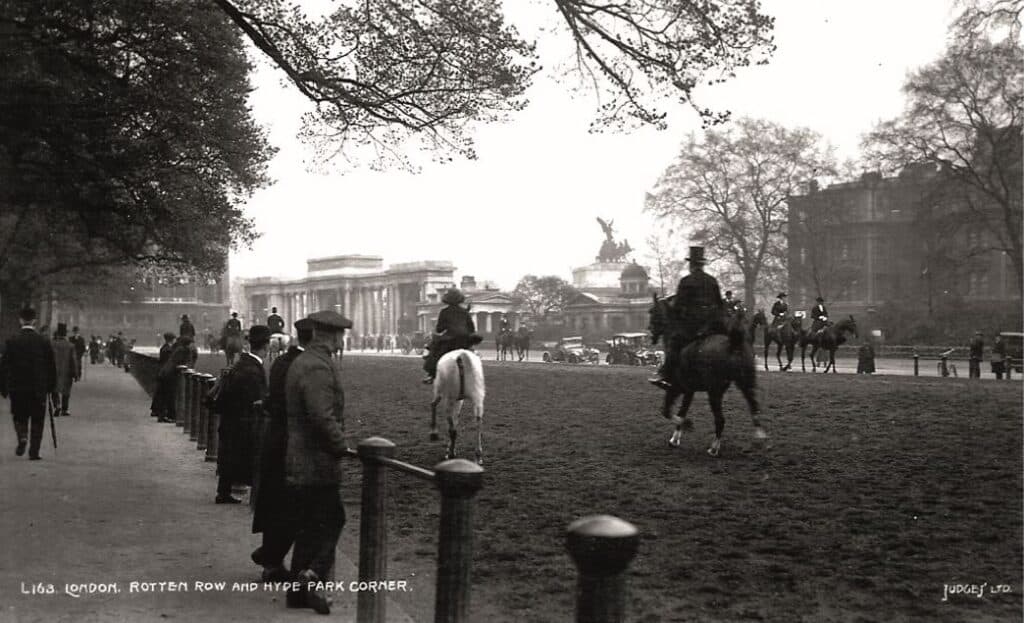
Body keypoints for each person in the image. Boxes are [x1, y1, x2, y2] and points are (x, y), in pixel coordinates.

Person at [283, 310, 353, 614]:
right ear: (334, 336)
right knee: (332, 518)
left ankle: (297, 593)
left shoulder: (306, 361)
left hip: (301, 456)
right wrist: (341, 446)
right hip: (315, 458)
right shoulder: (318, 367)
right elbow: (321, 416)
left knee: (310, 523)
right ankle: (312, 576)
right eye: (341, 336)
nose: (341, 341)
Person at [251, 318, 314, 582]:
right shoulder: (305, 366)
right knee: (296, 506)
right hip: (294, 442)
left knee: (275, 502)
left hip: (275, 439)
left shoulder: (279, 362)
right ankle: (272, 558)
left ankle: (271, 560)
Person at [648, 246, 724, 389]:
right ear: (702, 264)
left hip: (694, 324)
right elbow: (720, 304)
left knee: (675, 343)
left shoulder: (686, 281)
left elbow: (678, 307)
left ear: (691, 264)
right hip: (713, 323)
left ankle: (666, 375)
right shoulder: (712, 280)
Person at [214, 325, 271, 504]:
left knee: (230, 457)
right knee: (250, 456)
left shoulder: (242, 363)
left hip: (232, 419)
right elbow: (256, 398)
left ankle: (224, 492)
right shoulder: (253, 369)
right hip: (244, 421)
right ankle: (254, 495)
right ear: (267, 346)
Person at [0, 307, 57, 460]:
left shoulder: (12, 341)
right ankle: (34, 451)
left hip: (17, 387)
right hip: (38, 387)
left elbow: (4, 365)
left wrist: (3, 387)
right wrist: (51, 387)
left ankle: (22, 436)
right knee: (38, 419)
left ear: (20, 320)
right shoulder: (43, 341)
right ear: (34, 321)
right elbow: (51, 366)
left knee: (19, 415)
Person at [422, 288, 477, 384]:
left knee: (435, 352)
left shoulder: (444, 311)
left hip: (450, 339)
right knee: (473, 353)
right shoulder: (465, 312)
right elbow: (472, 328)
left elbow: (439, 328)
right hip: (464, 340)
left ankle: (431, 374)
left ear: (447, 300)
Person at [50, 323, 79, 416]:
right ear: (65, 334)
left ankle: (57, 405)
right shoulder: (70, 346)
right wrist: (76, 374)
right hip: (67, 371)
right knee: (66, 391)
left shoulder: (51, 344)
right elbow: (74, 361)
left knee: (54, 390)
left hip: (53, 370)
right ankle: (65, 409)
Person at [150, 332, 177, 419]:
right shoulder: (168, 349)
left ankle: (157, 411)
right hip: (166, 373)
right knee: (165, 394)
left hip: (162, 373)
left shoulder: (165, 348)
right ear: (171, 339)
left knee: (160, 393)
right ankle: (162, 414)